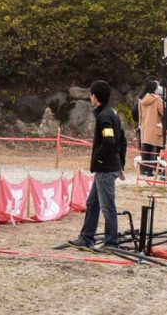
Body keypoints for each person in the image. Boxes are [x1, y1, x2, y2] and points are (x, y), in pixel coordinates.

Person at [68, 80, 127, 249]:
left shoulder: (105, 116)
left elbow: (110, 140)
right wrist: (120, 163)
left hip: (106, 169)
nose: (90, 97)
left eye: (91, 94)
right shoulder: (112, 112)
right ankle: (87, 237)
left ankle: (111, 242)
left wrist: (100, 160)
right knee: (92, 203)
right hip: (108, 167)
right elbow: (122, 140)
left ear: (94, 96)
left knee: (107, 207)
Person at [137, 80, 164, 178]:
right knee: (157, 150)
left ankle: (143, 169)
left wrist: (140, 126)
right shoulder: (157, 99)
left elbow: (140, 115)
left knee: (146, 150)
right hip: (156, 127)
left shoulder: (141, 98)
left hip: (144, 127)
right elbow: (163, 112)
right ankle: (151, 170)